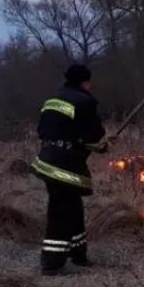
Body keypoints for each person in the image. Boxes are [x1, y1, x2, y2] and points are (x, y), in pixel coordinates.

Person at [31, 64, 109, 275]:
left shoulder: (52, 101)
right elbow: (93, 135)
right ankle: (51, 263)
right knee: (61, 211)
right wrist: (101, 144)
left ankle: (79, 255)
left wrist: (93, 145)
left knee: (74, 208)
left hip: (47, 160)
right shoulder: (85, 101)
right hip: (63, 166)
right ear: (85, 81)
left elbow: (46, 131)